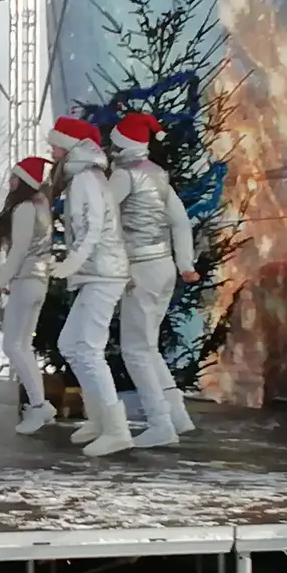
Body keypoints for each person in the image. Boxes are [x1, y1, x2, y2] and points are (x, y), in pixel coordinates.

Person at [109, 112, 200, 447]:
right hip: (163, 267)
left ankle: (160, 422)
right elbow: (181, 221)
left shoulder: (123, 176)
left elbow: (102, 218)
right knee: (147, 346)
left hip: (140, 267)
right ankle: (177, 415)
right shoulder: (159, 176)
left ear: (119, 144)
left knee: (135, 349)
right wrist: (185, 263)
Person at [46, 117, 131, 458]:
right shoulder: (84, 176)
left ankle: (117, 429)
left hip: (103, 273)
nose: (51, 149)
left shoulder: (85, 178)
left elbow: (93, 227)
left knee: (89, 349)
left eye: (55, 143)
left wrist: (73, 261)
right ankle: (99, 418)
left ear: (70, 145)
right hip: (97, 272)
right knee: (70, 343)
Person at [0, 157, 55, 434]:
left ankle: (38, 405)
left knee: (13, 345)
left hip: (26, 280)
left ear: (24, 180)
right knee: (23, 346)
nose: (10, 182)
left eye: (14, 177)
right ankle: (40, 404)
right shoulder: (42, 206)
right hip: (39, 280)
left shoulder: (25, 208)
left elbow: (19, 249)